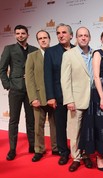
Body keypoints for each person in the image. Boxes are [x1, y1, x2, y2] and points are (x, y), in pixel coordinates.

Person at [79, 30, 103, 171]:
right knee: (100, 126)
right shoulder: (97, 53)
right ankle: (99, 156)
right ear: (101, 40)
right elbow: (96, 76)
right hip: (99, 94)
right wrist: (102, 97)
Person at [0, 25, 38, 160]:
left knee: (31, 119)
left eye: (23, 33)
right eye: (18, 33)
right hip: (15, 89)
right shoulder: (9, 49)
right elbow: (2, 69)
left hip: (31, 90)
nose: (20, 35)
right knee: (13, 120)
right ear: (15, 35)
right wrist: (8, 85)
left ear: (28, 34)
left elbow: (38, 70)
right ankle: (12, 149)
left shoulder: (34, 50)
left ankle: (33, 145)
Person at [61, 27, 94, 172]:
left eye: (86, 35)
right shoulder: (69, 54)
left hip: (93, 100)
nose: (83, 38)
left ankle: (86, 154)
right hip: (76, 99)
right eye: (80, 35)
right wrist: (69, 100)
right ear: (76, 37)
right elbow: (65, 79)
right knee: (75, 131)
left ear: (89, 38)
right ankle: (76, 157)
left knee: (88, 131)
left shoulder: (95, 53)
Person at [25, 30, 58, 162]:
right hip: (38, 97)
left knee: (55, 124)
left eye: (45, 38)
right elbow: (29, 79)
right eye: (40, 38)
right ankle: (39, 149)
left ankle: (56, 148)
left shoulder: (55, 54)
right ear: (38, 41)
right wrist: (33, 98)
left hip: (54, 96)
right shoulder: (32, 56)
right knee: (38, 125)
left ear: (49, 39)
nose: (43, 40)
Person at [44, 23, 74, 165]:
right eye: (58, 33)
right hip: (58, 95)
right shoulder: (51, 52)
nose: (61, 35)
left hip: (76, 95)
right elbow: (47, 76)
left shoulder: (78, 50)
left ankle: (79, 152)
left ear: (71, 35)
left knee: (77, 126)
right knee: (60, 126)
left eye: (64, 32)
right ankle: (63, 152)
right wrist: (50, 96)